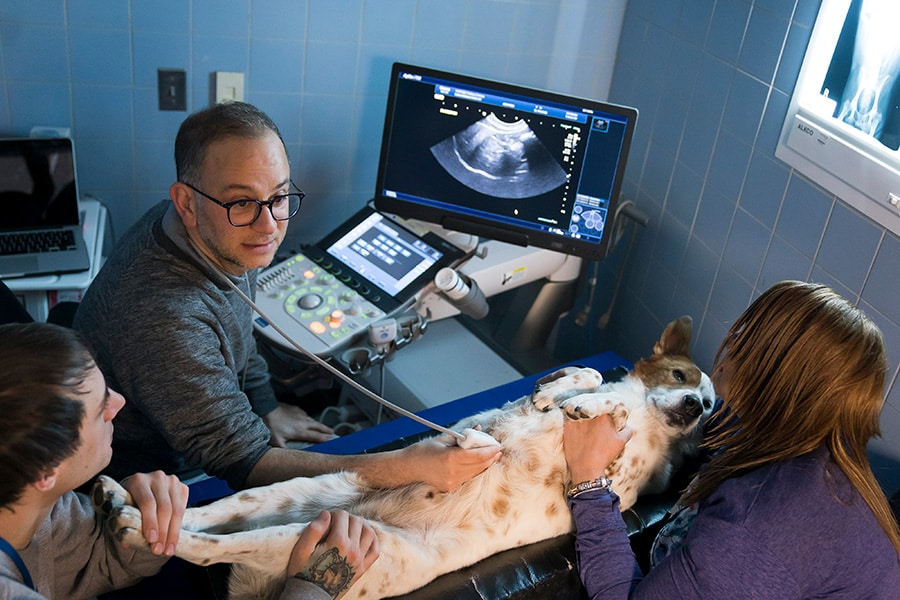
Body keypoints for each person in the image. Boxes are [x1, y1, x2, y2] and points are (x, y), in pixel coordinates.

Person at [72, 101, 501, 492]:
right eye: (241, 203)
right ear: (186, 202)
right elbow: (245, 463)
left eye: (278, 197)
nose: (269, 227)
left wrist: (266, 407)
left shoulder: (200, 232)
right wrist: (407, 467)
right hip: (154, 478)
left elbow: (239, 327)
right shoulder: (166, 316)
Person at [562, 280, 900, 599]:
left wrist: (589, 480)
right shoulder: (801, 439)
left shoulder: (758, 530)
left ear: (777, 376)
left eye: (747, 334)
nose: (732, 338)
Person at [0, 322, 380, 600]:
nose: (118, 403)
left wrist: (140, 524)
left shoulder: (43, 509)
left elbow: (97, 563)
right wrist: (313, 588)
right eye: (101, 408)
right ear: (45, 471)